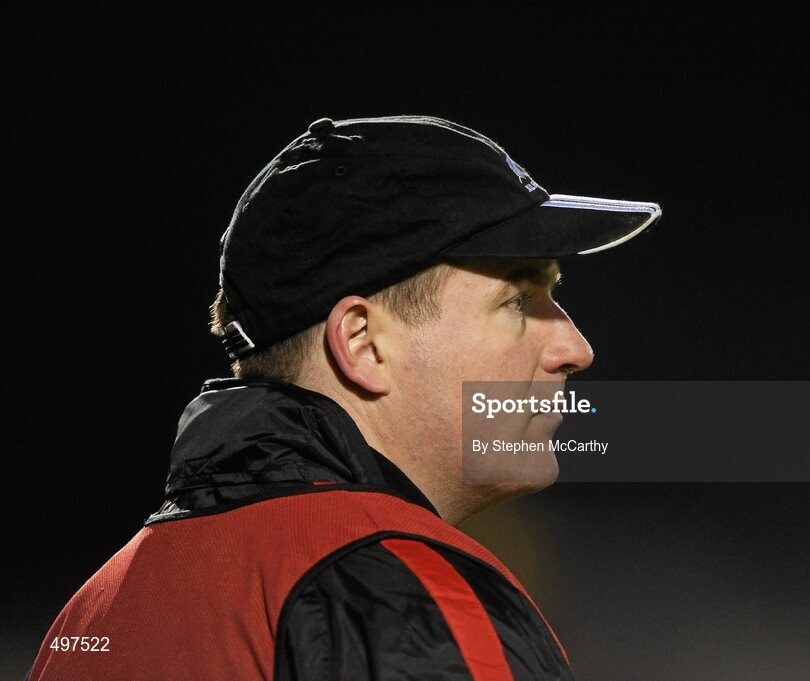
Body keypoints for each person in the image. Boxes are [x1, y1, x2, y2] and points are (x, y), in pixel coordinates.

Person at [28, 115, 661, 680]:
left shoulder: (88, 619)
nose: (576, 348)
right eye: (518, 300)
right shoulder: (400, 591)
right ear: (363, 342)